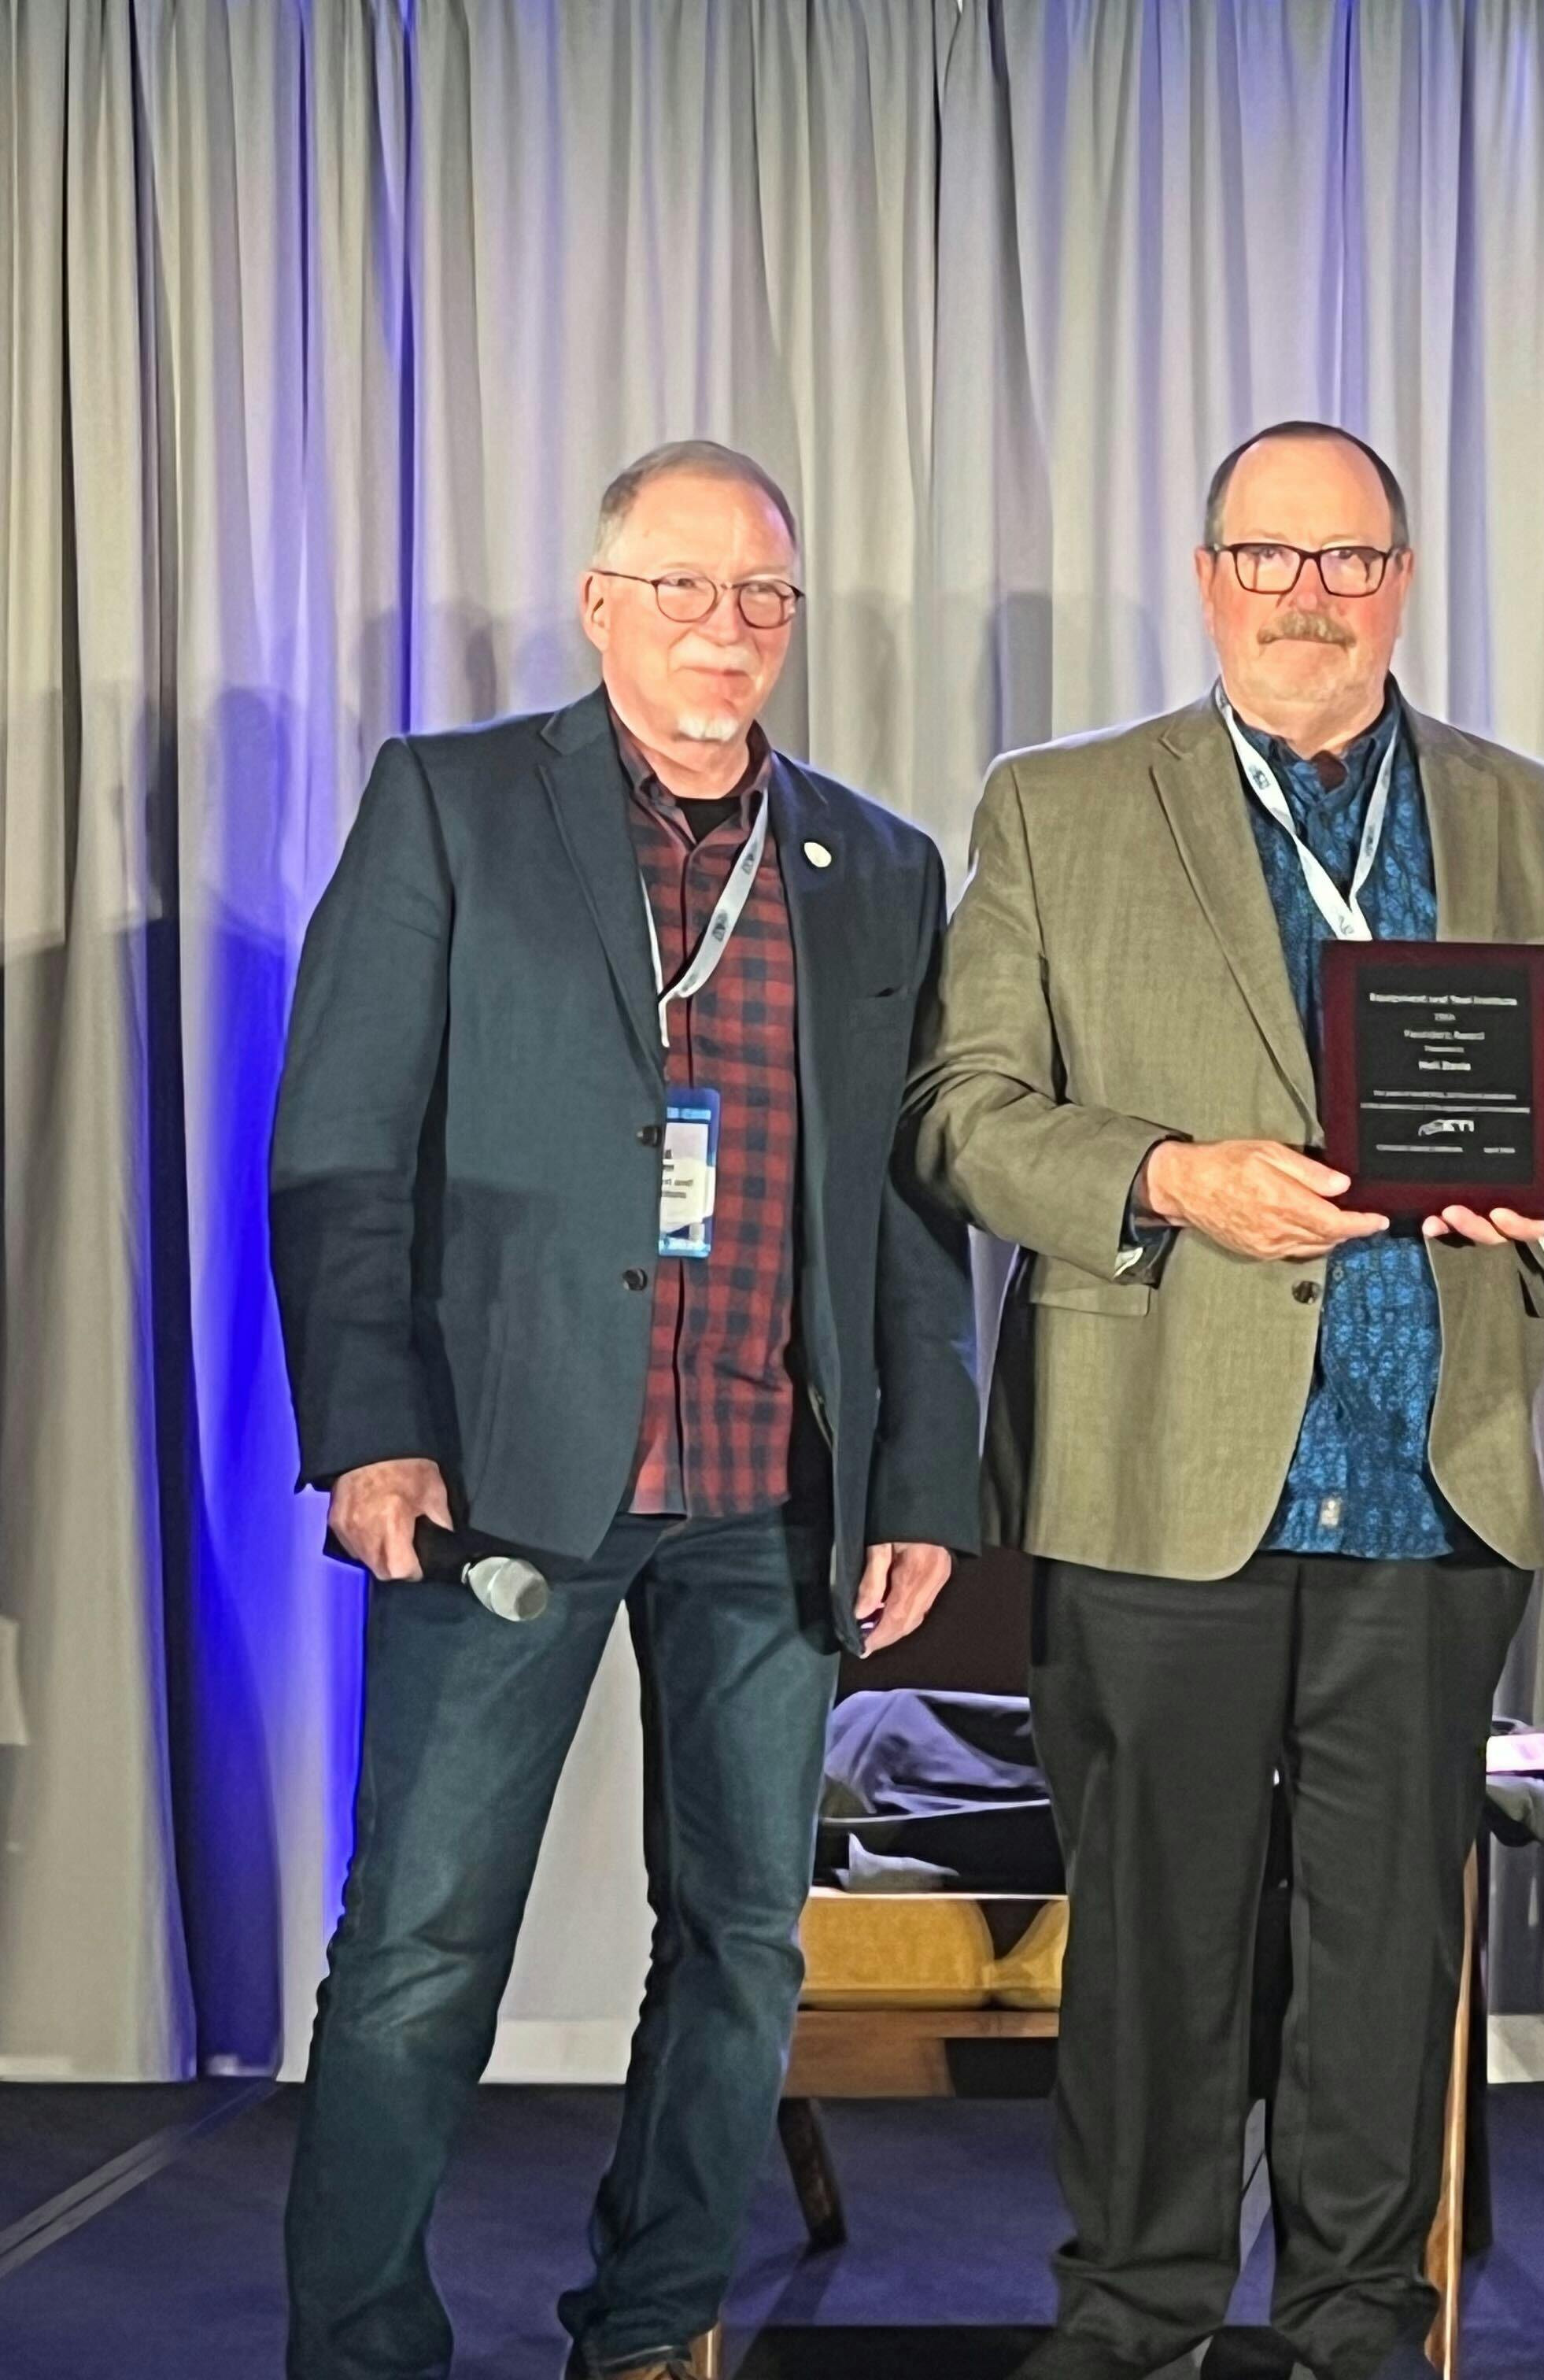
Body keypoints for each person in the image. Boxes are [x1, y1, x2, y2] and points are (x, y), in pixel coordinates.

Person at [906, 419, 1544, 2380]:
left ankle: (1353, 2326)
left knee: (1386, 1953)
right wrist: (1167, 1179)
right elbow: (960, 1117)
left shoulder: (1540, 817)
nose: (1309, 597)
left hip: (1439, 1475)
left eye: (1348, 562)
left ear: (1401, 579)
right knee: (1154, 1948)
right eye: (1270, 560)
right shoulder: (1057, 810)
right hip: (1156, 1474)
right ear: (1210, 576)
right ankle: (1137, 2318)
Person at [269, 439, 979, 2379]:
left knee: (744, 1948)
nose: (725, 629)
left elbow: (914, 1217)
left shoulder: (877, 866)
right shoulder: (457, 806)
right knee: (421, 1954)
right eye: (684, 588)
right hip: (500, 1482)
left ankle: (654, 2323)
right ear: (600, 608)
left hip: (772, 1496)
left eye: (761, 596)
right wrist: (369, 1431)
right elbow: (339, 1150)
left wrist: (919, 1474)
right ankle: (357, 2345)